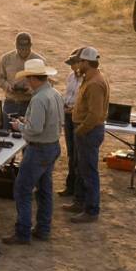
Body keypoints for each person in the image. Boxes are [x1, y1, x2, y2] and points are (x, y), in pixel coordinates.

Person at [2, 58, 63, 245]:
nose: (27, 82)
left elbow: (35, 129)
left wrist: (20, 126)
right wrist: (26, 122)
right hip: (52, 146)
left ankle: (23, 233)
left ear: (33, 78)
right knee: (44, 190)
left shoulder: (38, 99)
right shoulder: (54, 93)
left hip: (39, 149)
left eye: (28, 78)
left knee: (22, 190)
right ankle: (43, 229)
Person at [65, 47, 109, 223]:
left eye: (80, 61)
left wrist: (80, 130)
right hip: (87, 130)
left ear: (86, 62)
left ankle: (91, 210)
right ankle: (80, 202)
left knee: (89, 171)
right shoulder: (90, 78)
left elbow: (94, 114)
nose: (77, 65)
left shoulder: (94, 83)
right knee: (82, 169)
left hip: (89, 132)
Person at [0, 32, 44, 122]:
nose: (23, 51)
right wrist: (8, 87)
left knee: (30, 129)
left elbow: (46, 83)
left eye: (26, 48)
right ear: (16, 46)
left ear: (31, 45)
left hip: (31, 103)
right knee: (6, 127)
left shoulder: (39, 61)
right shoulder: (6, 59)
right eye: (21, 48)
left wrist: (32, 90)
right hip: (11, 102)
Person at [58, 48, 84, 198]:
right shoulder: (71, 77)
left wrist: (73, 109)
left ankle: (78, 189)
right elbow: (68, 95)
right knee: (71, 153)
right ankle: (71, 186)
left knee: (78, 154)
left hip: (77, 118)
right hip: (68, 116)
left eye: (74, 63)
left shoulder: (86, 80)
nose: (72, 67)